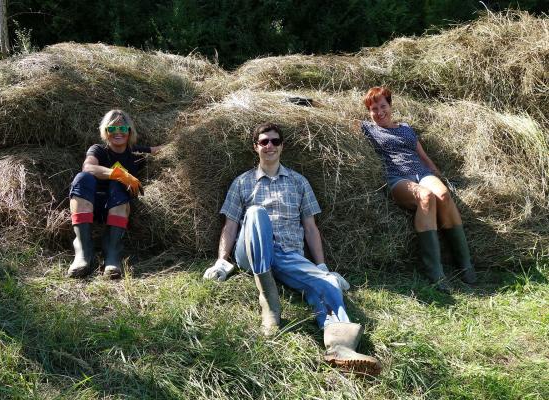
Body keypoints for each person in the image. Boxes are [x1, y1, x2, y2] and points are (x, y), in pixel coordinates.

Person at [203, 122, 381, 375]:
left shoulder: (299, 182)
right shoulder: (242, 182)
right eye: (264, 142)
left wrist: (321, 266)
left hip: (288, 255)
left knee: (326, 283)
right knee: (255, 213)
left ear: (282, 146)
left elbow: (310, 228)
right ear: (256, 147)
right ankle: (270, 305)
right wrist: (222, 260)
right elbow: (230, 226)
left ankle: (340, 347)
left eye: (275, 141)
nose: (270, 146)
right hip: (251, 253)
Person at [355, 87, 476, 292]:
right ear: (369, 112)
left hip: (421, 172)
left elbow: (422, 155)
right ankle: (435, 272)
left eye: (383, 106)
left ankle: (465, 264)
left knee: (443, 195)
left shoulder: (406, 128)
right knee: (425, 196)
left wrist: (436, 172)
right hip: (396, 177)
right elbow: (333, 121)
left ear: (390, 105)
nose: (379, 112)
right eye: (374, 108)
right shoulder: (367, 128)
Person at [67, 109, 163, 279]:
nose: (117, 133)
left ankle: (112, 252)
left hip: (117, 206)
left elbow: (162, 150)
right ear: (105, 132)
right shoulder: (98, 150)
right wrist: (119, 174)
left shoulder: (135, 153)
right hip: (90, 204)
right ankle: (83, 250)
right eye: (112, 129)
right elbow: (88, 167)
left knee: (118, 186)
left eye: (123, 129)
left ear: (129, 131)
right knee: (82, 178)